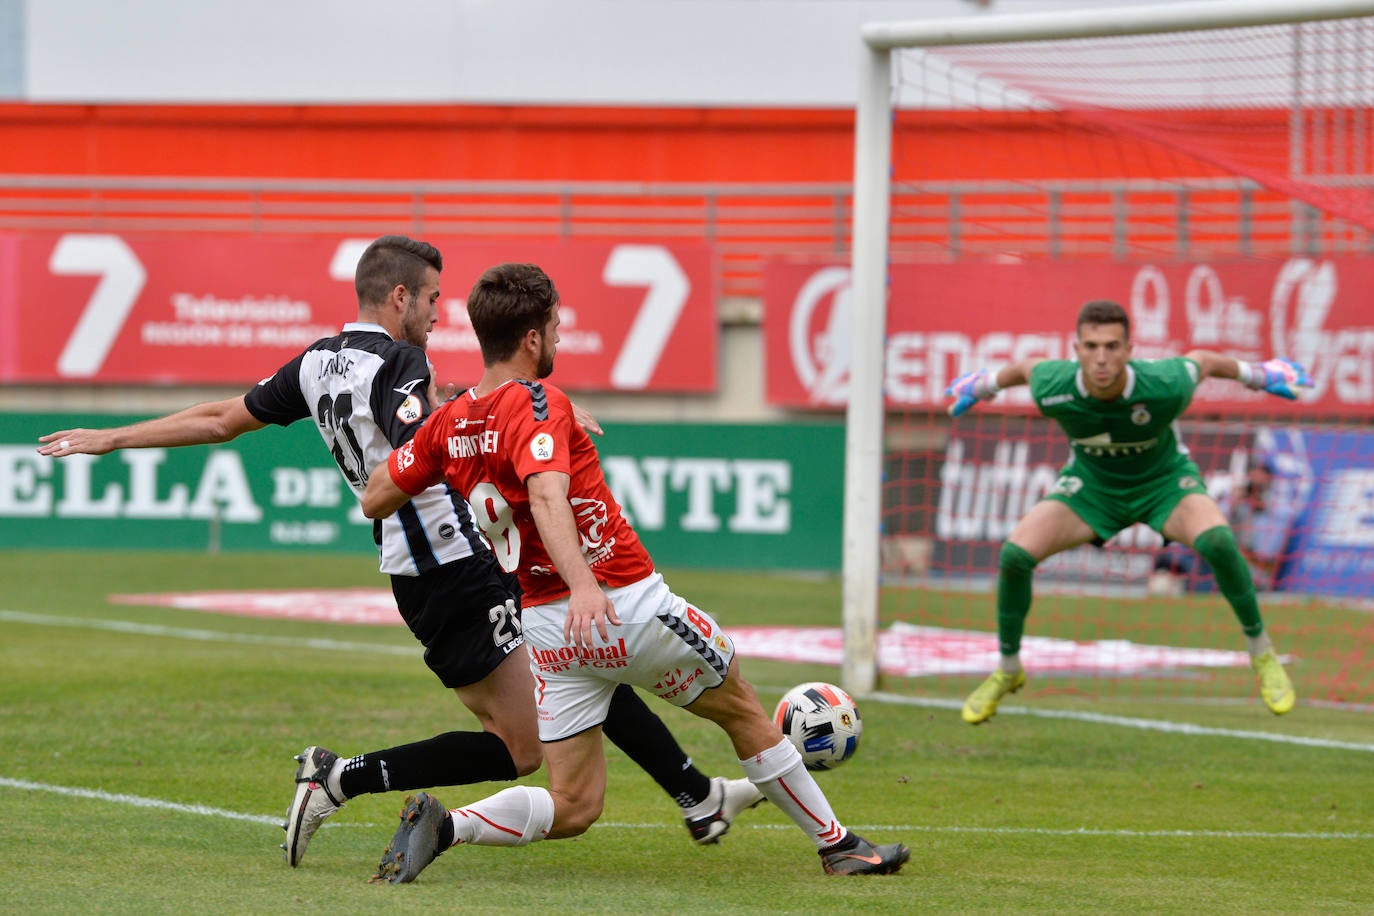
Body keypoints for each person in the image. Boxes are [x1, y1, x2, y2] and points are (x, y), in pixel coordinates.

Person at [36, 235, 761, 867]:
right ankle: (340, 778)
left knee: (583, 654)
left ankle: (695, 794)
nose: (442, 313)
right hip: (455, 568)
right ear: (401, 297)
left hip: (417, 576)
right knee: (528, 736)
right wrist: (521, 414)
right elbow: (422, 439)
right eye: (435, 300)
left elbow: (221, 419)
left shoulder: (317, 362)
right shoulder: (402, 364)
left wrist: (112, 436)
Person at [360, 262, 909, 883]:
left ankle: (448, 825)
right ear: (533, 339)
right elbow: (546, 497)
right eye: (556, 327)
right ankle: (839, 847)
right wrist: (587, 584)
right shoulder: (540, 403)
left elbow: (376, 494)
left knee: (574, 804)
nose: (560, 339)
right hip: (623, 603)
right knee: (744, 711)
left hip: (546, 630)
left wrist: (457, 443)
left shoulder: (452, 421)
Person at [945, 299, 1307, 724]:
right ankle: (1007, 670)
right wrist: (984, 383)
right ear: (1076, 349)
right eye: (1092, 346)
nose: (1102, 358)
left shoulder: (1164, 384)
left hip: (1163, 483)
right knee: (1014, 556)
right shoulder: (1053, 384)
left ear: (1129, 349)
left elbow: (1203, 361)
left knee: (1219, 540)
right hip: (1093, 488)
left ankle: (1262, 655)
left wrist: (1260, 375)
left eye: (1113, 346)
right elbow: (1026, 368)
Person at [1149, 454, 1295, 595]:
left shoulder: (1279, 515)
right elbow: (1205, 525)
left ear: (1270, 484)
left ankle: (1178, 586)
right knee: (1178, 550)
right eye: (1251, 485)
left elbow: (1269, 565)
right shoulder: (1238, 506)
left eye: (1260, 486)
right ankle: (1166, 580)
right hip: (1218, 565)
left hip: (1248, 578)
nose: (1255, 491)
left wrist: (1231, 549)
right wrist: (1232, 503)